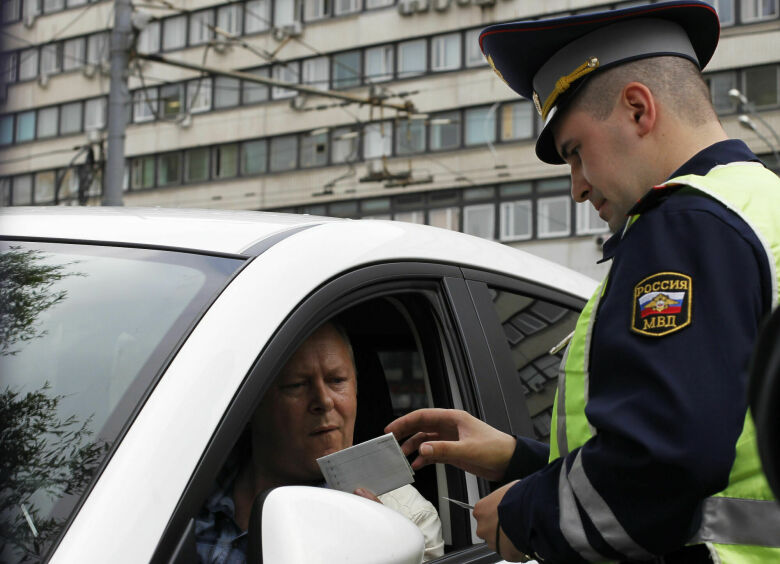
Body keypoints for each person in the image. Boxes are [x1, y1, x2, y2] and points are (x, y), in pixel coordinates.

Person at [386, 2, 780, 562]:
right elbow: (719, 443)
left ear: (638, 110)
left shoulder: (685, 226)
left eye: (575, 152)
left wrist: (526, 514)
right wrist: (518, 460)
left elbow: (664, 466)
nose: (577, 188)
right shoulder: (758, 205)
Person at [196, 321, 444, 563]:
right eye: (297, 385)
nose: (324, 401)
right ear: (250, 404)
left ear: (357, 390)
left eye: (337, 380)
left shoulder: (408, 519)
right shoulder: (190, 487)